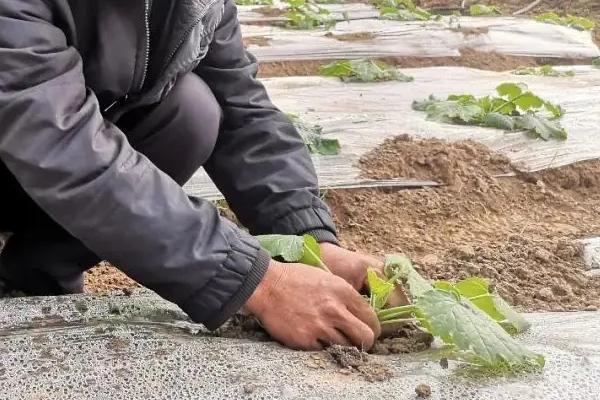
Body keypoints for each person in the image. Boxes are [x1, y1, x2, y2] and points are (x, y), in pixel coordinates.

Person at [0, 0, 382, 350]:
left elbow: (243, 110)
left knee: (191, 112)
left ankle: (31, 275)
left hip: (43, 163)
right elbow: (60, 142)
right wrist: (260, 283)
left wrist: (309, 243)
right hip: (27, 148)